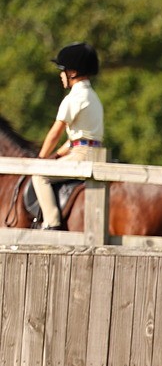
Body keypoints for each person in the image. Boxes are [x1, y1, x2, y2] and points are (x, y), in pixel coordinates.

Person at [32, 42, 104, 230]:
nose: (60, 75)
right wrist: (55, 156)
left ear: (72, 73)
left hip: (81, 155)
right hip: (95, 152)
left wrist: (40, 158)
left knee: (39, 176)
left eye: (62, 70)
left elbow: (55, 132)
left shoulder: (74, 97)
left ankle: (52, 223)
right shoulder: (93, 97)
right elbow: (76, 139)